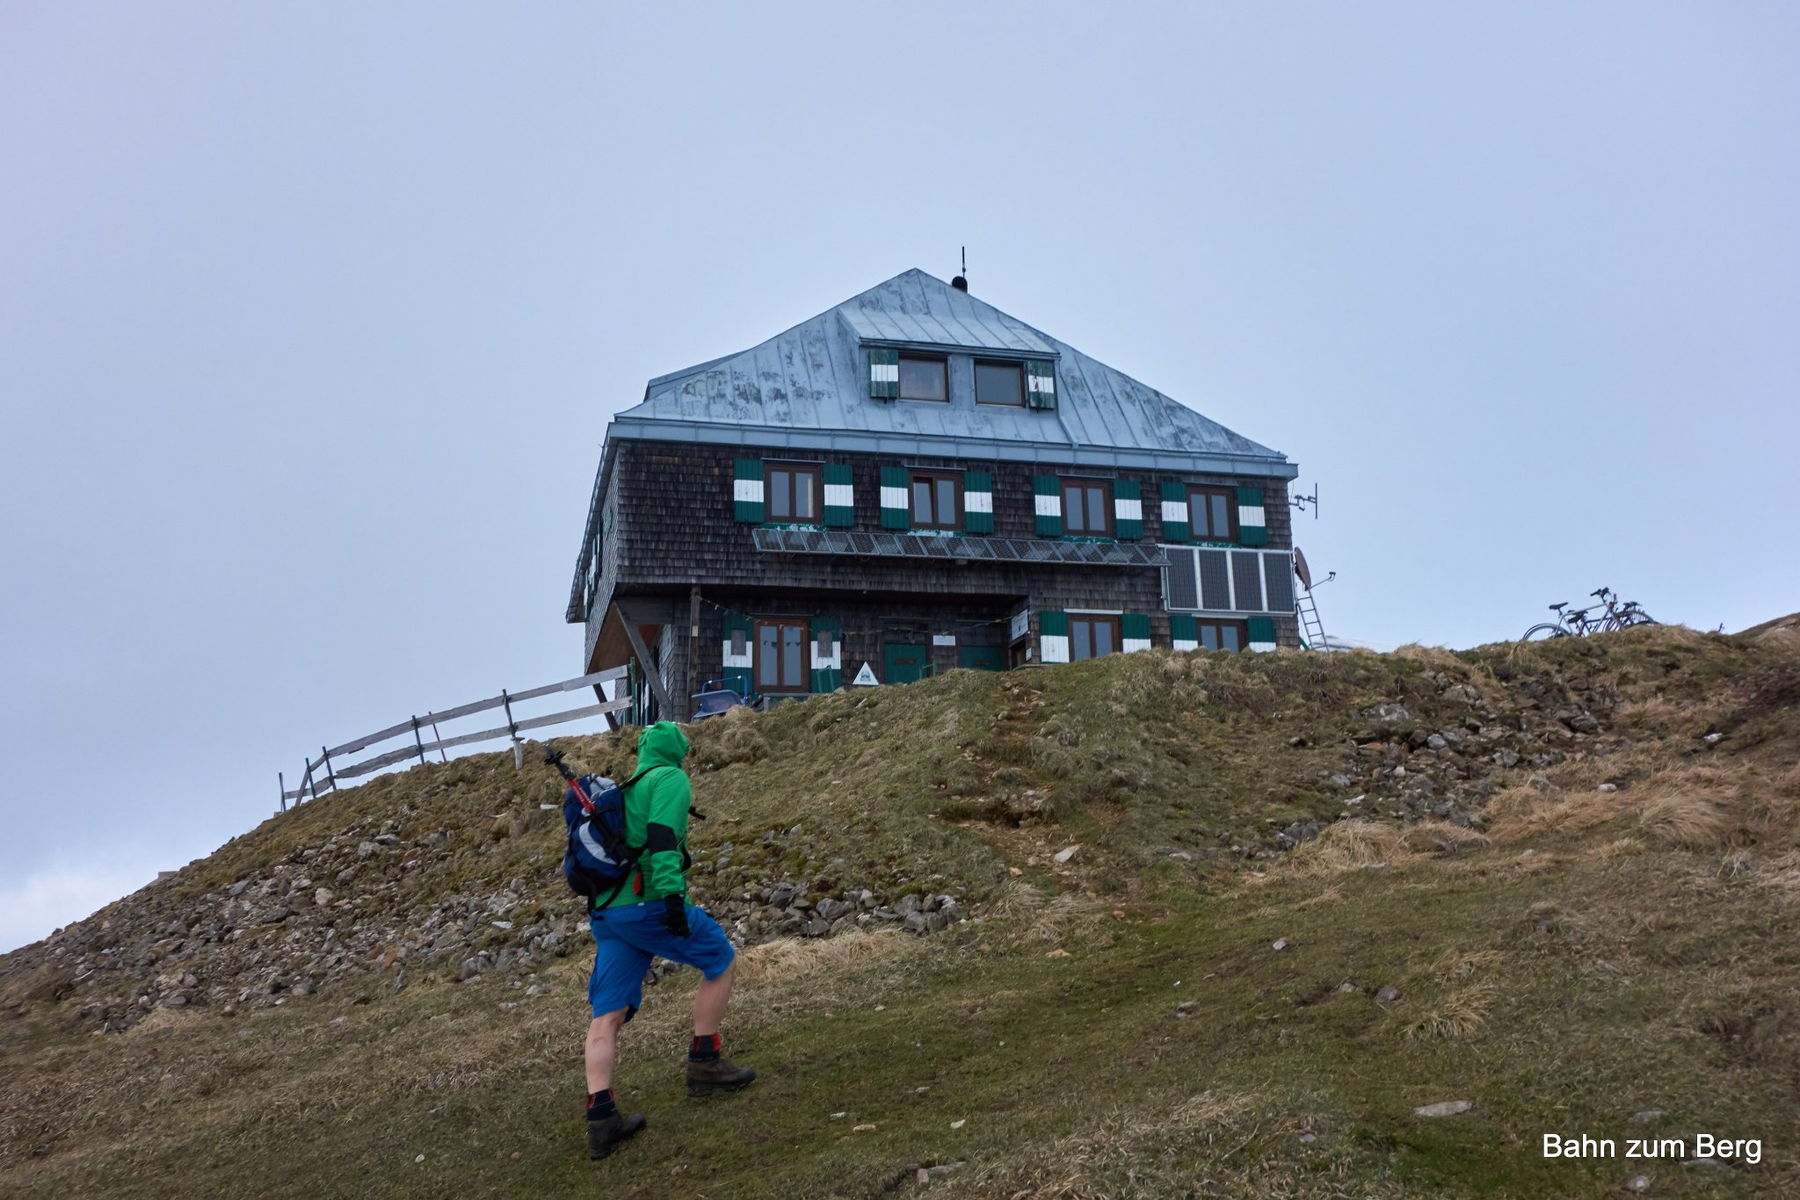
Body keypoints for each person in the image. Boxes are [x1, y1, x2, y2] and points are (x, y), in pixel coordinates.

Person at [582, 719, 756, 1160]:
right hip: (649, 903)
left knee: (608, 1013)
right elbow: (662, 839)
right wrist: (673, 898)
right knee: (719, 958)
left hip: (609, 913)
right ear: (677, 751)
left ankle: (601, 1119)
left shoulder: (624, 789)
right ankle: (704, 1061)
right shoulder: (671, 778)